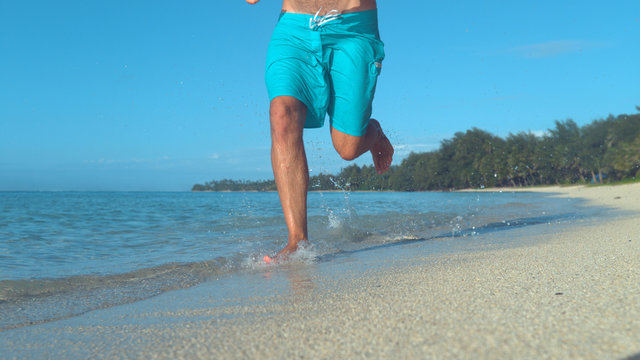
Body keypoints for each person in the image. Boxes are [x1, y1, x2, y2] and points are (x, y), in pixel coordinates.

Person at [246, 0, 394, 261]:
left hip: (353, 28)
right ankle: (297, 240)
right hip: (294, 30)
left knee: (347, 148)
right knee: (282, 114)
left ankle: (374, 133)